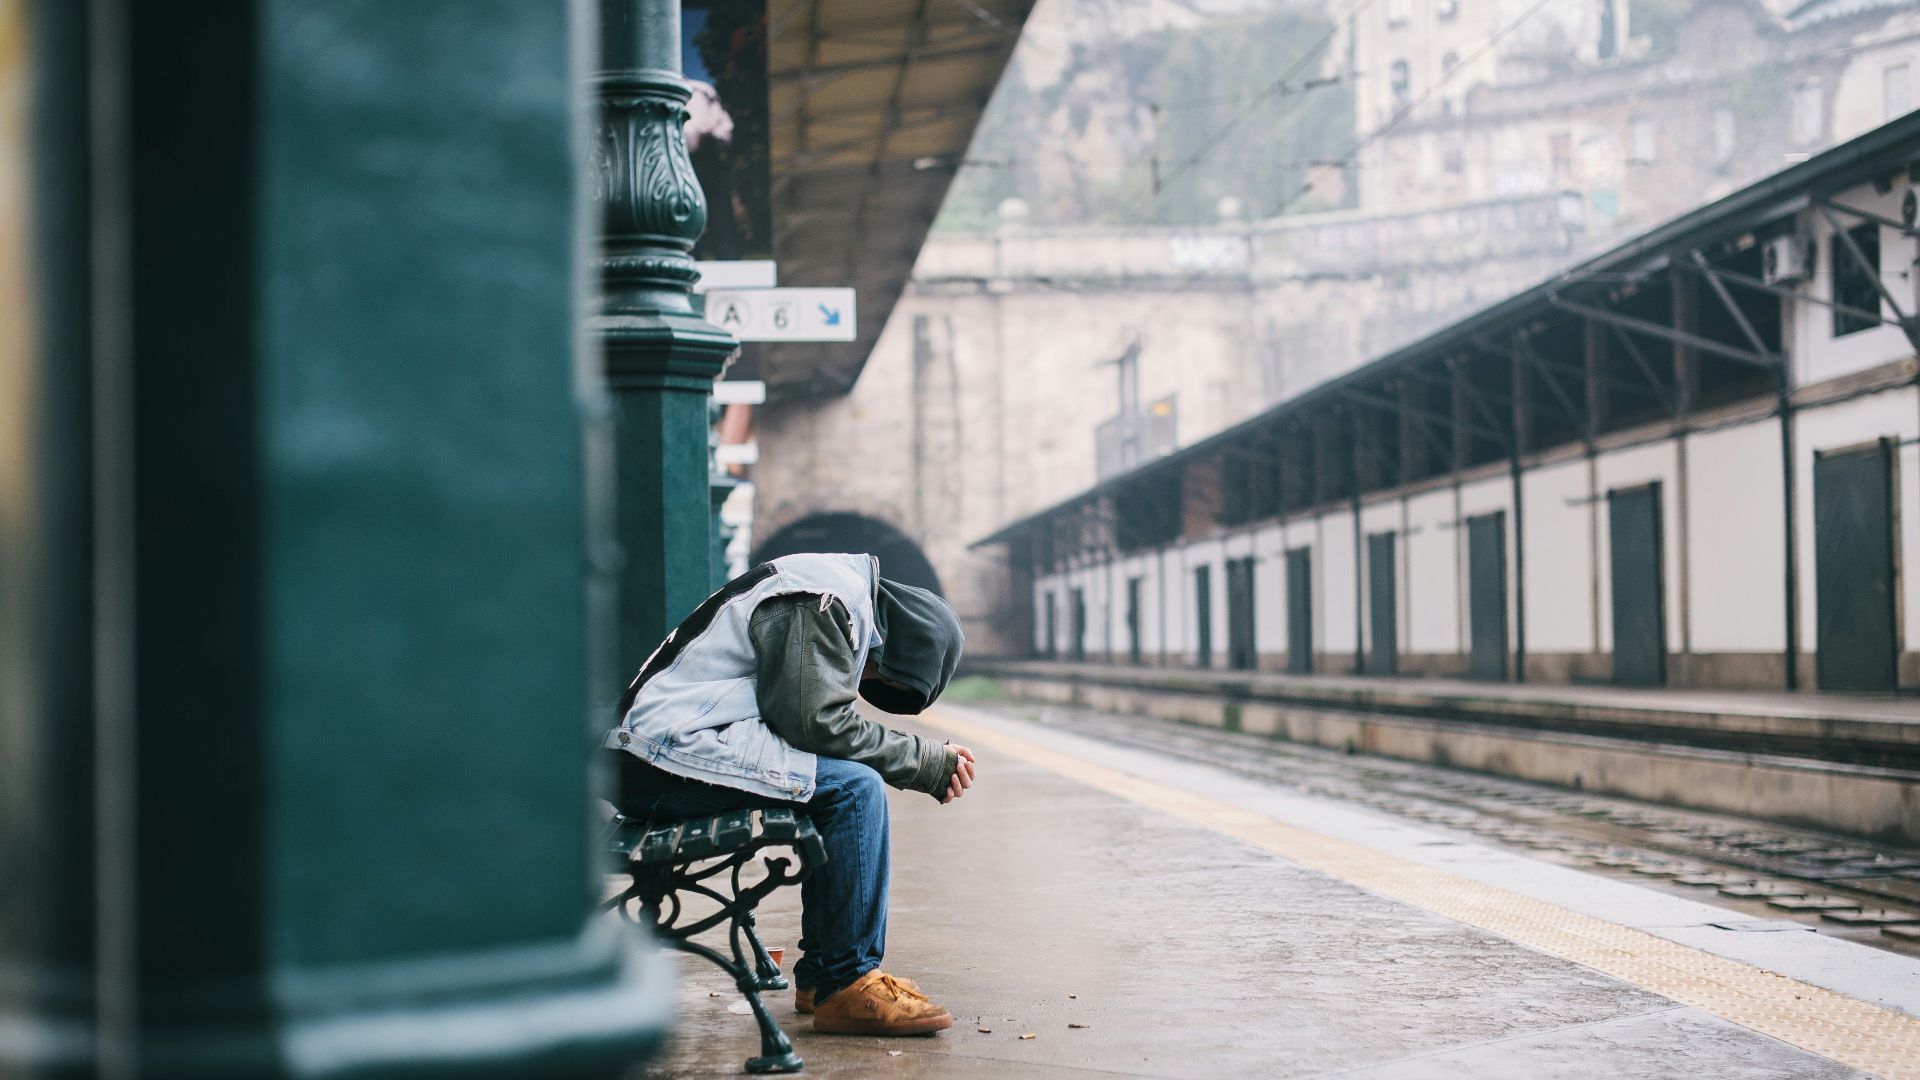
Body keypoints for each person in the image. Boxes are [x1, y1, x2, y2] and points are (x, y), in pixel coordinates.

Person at [604, 551, 976, 1036]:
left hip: (664, 750)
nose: (863, 681)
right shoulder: (824, 599)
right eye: (876, 678)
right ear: (892, 649)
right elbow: (813, 720)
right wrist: (924, 762)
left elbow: (806, 718)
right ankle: (848, 981)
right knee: (854, 791)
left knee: (839, 783)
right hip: (662, 754)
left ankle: (825, 975)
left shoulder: (829, 588)